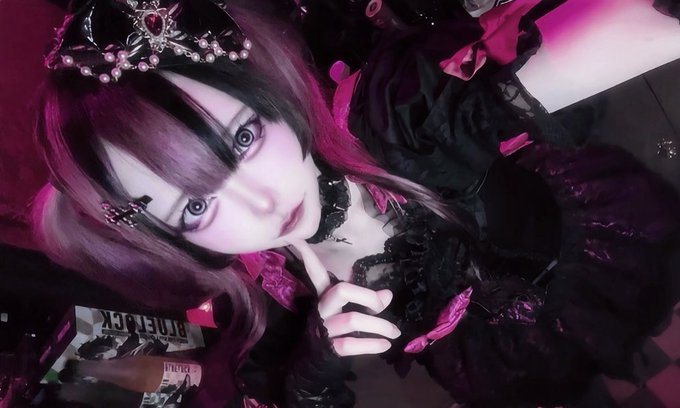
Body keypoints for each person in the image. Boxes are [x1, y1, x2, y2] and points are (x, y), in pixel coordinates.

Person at [32, 0, 680, 407]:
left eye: (244, 138)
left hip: (580, 255)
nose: (262, 203)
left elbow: (615, 29)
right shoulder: (268, 284)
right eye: (194, 209)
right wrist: (318, 357)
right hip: (492, 360)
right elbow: (278, 392)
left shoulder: (391, 119)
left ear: (268, 92)